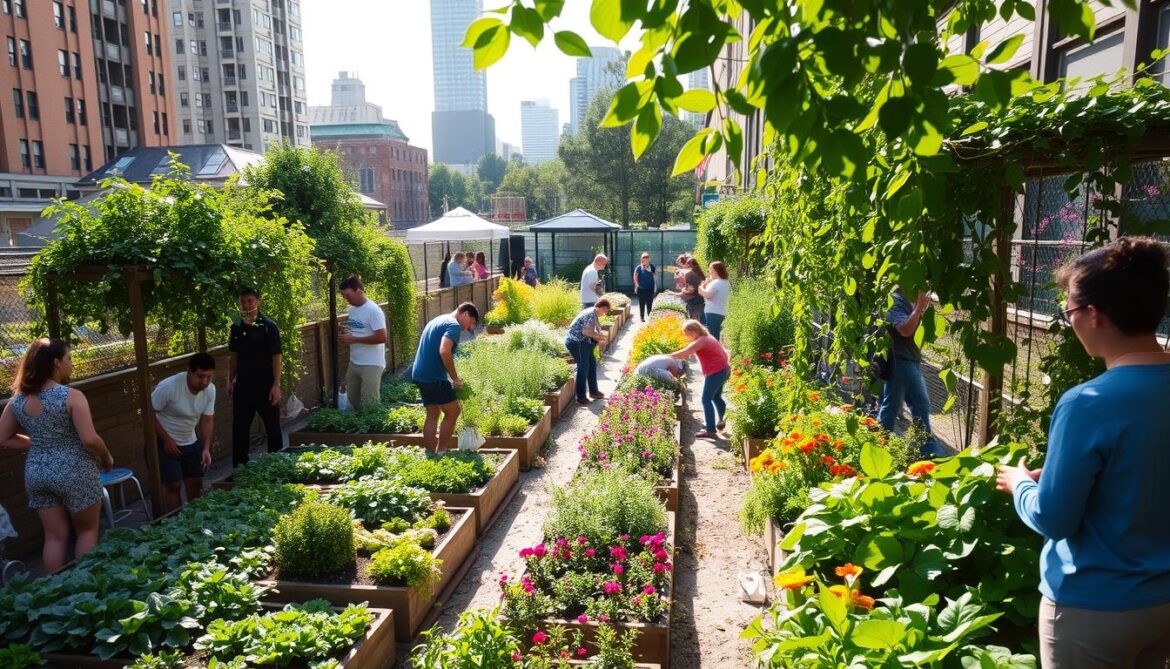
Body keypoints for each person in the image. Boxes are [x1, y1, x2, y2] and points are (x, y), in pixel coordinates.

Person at [996, 237, 1170, 668]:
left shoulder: (1087, 402)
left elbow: (1054, 518)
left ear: (1093, 314)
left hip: (1093, 606)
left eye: (1069, 311)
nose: (1070, 322)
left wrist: (1019, 483)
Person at [0, 339, 112, 573]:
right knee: (87, 531)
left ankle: (54, 593)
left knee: (54, 537)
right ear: (56, 362)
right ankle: (84, 589)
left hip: (37, 473)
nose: (71, 363)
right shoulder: (71, 396)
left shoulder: (17, 399)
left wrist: (38, 443)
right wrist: (107, 457)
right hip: (75, 470)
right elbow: (90, 439)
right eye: (69, 358)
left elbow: (2, 437)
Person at [876, 288, 940, 457]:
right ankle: (928, 450)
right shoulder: (895, 300)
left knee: (892, 407)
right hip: (901, 363)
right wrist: (918, 309)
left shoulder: (905, 300)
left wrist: (919, 309)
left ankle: (879, 448)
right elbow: (904, 330)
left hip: (906, 361)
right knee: (919, 405)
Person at [411, 303, 480, 452]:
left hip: (420, 374)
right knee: (453, 411)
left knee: (433, 412)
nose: (468, 329)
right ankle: (441, 452)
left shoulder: (439, 319)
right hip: (433, 376)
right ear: (466, 314)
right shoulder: (453, 325)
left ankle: (433, 453)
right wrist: (455, 378)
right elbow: (444, 351)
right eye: (472, 323)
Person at [152, 353, 216, 514]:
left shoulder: (210, 390)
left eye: (209, 376)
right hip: (164, 441)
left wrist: (206, 448)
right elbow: (148, 415)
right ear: (189, 372)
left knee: (195, 482)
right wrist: (166, 440)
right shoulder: (169, 387)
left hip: (190, 440)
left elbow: (207, 419)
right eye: (200, 376)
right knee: (173, 485)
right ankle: (175, 524)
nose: (205, 381)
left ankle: (197, 520)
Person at [228, 288, 282, 467]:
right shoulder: (236, 327)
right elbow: (234, 356)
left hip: (266, 385)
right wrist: (230, 380)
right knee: (240, 429)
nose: (246, 305)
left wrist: (276, 384)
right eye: (243, 301)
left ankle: (276, 464)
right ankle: (240, 469)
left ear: (258, 302)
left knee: (272, 427)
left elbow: (276, 356)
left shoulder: (269, 326)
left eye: (250, 301)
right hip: (243, 386)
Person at [669, 320, 729, 440]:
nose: (686, 336)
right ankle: (720, 422)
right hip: (724, 369)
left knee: (705, 399)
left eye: (687, 333)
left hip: (715, 372)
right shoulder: (708, 337)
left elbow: (685, 352)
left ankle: (710, 430)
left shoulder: (702, 341)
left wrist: (666, 356)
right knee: (716, 397)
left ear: (695, 330)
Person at [339, 275, 387, 411]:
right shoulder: (352, 310)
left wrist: (353, 339)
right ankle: (358, 431)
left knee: (370, 404)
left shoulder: (374, 310)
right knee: (352, 401)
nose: (346, 299)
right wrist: (345, 332)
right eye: (343, 296)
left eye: (348, 295)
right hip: (354, 362)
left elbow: (382, 337)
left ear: (359, 291)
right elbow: (357, 329)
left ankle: (374, 431)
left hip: (371, 364)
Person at [565, 299, 611, 404]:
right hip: (577, 342)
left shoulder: (593, 313)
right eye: (605, 311)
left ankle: (593, 391)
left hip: (583, 342)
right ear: (601, 307)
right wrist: (599, 337)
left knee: (592, 364)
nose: (605, 313)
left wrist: (599, 336)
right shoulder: (591, 313)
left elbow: (593, 329)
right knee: (583, 366)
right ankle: (581, 396)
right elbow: (586, 331)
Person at [699, 261, 731, 340]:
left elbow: (708, 295)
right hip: (721, 312)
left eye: (710, 269)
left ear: (715, 270)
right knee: (716, 335)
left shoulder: (716, 283)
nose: (709, 271)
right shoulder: (726, 282)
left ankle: (714, 352)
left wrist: (701, 287)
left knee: (712, 337)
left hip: (713, 312)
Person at [680, 257, 706, 322]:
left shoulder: (688, 274)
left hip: (691, 299)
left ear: (691, 264)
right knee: (699, 319)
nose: (686, 264)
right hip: (701, 298)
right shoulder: (702, 273)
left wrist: (683, 290)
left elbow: (691, 290)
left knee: (692, 320)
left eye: (688, 263)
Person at [633, 253, 657, 321]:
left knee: (650, 303)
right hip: (641, 289)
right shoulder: (638, 267)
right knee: (642, 303)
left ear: (649, 259)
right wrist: (636, 286)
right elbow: (635, 277)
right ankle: (642, 317)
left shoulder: (652, 267)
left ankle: (649, 315)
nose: (646, 261)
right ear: (642, 260)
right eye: (644, 259)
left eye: (647, 259)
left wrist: (648, 269)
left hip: (650, 288)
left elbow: (655, 276)